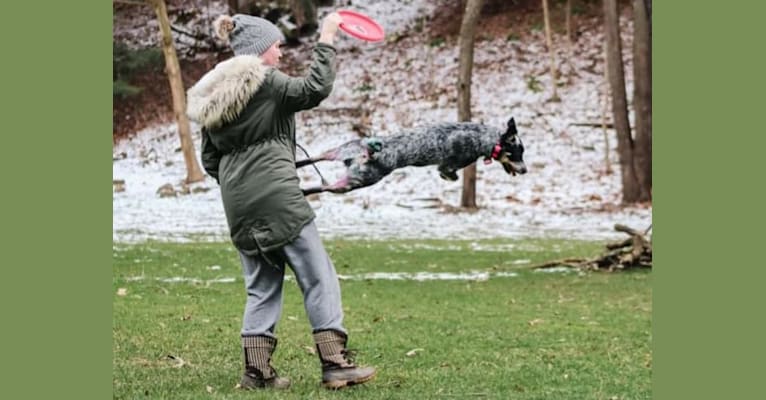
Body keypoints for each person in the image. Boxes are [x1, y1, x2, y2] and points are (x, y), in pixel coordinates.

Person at [186, 12, 376, 390]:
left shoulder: (216, 96)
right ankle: (335, 363)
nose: (280, 54)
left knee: (262, 286)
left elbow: (210, 161)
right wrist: (327, 36)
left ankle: (257, 372)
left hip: (237, 206)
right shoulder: (266, 80)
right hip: (278, 200)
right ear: (258, 50)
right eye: (277, 46)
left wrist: (245, 180)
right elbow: (314, 89)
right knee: (318, 276)